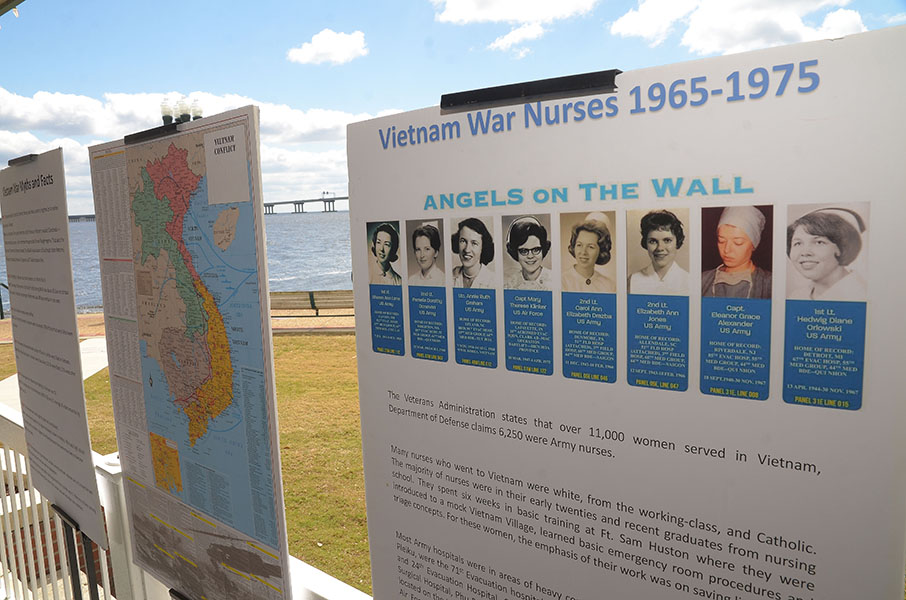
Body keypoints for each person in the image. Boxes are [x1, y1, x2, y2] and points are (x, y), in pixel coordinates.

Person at [787, 207, 867, 301]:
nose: (805, 252)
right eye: (798, 243)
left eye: (819, 242)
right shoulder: (797, 296)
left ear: (841, 247)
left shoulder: (862, 295)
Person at [702, 206, 771, 298]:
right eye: (721, 241)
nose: (727, 250)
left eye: (738, 243)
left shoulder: (769, 284)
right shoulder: (702, 279)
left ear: (754, 245)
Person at [628, 210, 688, 295]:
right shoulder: (632, 280)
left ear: (677, 242)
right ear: (645, 243)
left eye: (667, 240)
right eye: (653, 241)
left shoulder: (690, 281)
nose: (660, 248)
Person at [562, 213, 615, 293]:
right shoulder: (562, 281)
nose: (583, 252)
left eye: (590, 247)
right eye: (579, 245)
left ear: (601, 250)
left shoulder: (609, 285)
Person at [504, 216, 552, 290]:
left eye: (536, 250)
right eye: (524, 251)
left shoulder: (554, 280)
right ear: (515, 252)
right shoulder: (510, 284)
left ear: (543, 249)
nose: (530, 256)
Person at [451, 218, 495, 289]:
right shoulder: (449, 276)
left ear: (483, 247)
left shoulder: (493, 281)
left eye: (474, 243)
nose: (467, 249)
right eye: (463, 241)